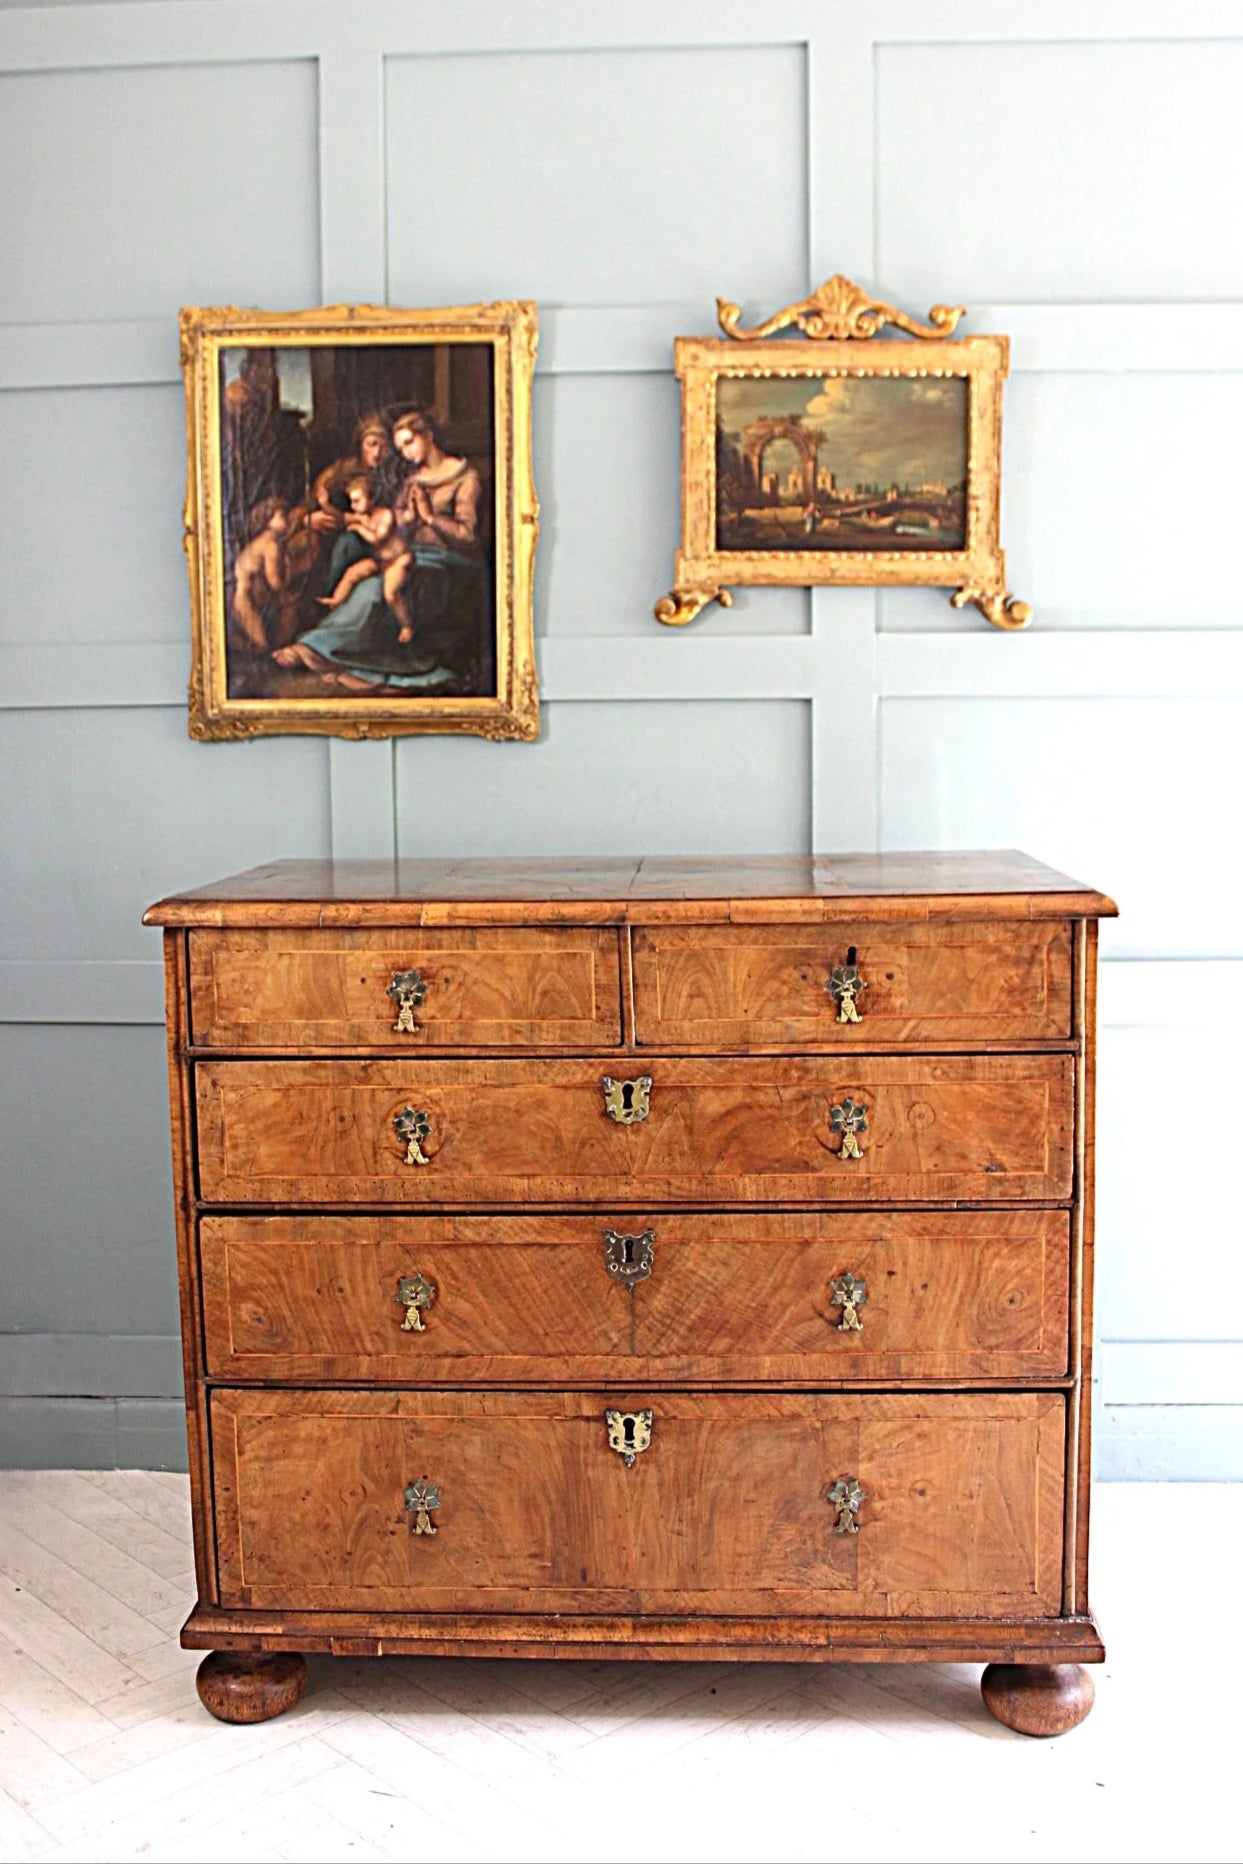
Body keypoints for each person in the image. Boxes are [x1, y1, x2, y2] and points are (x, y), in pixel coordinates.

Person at [317, 471, 414, 637]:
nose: (353, 506)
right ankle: (336, 601)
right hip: (379, 562)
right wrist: (324, 504)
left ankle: (406, 626)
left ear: (371, 499)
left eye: (357, 501)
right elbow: (340, 517)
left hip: (398, 560)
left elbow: (377, 539)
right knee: (351, 574)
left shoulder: (385, 515)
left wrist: (358, 528)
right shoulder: (361, 516)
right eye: (351, 501)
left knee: (391, 593)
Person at [229, 497, 289, 649]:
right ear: (268, 521)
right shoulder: (271, 544)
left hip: (243, 597)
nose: (287, 519)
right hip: (247, 600)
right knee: (264, 647)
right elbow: (275, 582)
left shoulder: (261, 540)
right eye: (282, 516)